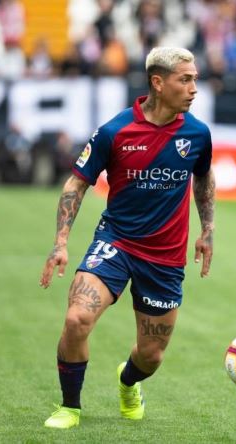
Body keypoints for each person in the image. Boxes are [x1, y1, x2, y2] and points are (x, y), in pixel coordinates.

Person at [39, 46, 215, 429]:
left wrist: (207, 229)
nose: (193, 89)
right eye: (185, 80)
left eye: (195, 80)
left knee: (151, 356)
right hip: (116, 243)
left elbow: (203, 177)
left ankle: (128, 382)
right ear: (158, 82)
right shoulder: (115, 131)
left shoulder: (198, 134)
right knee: (76, 319)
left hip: (165, 258)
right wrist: (61, 242)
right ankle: (70, 407)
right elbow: (76, 184)